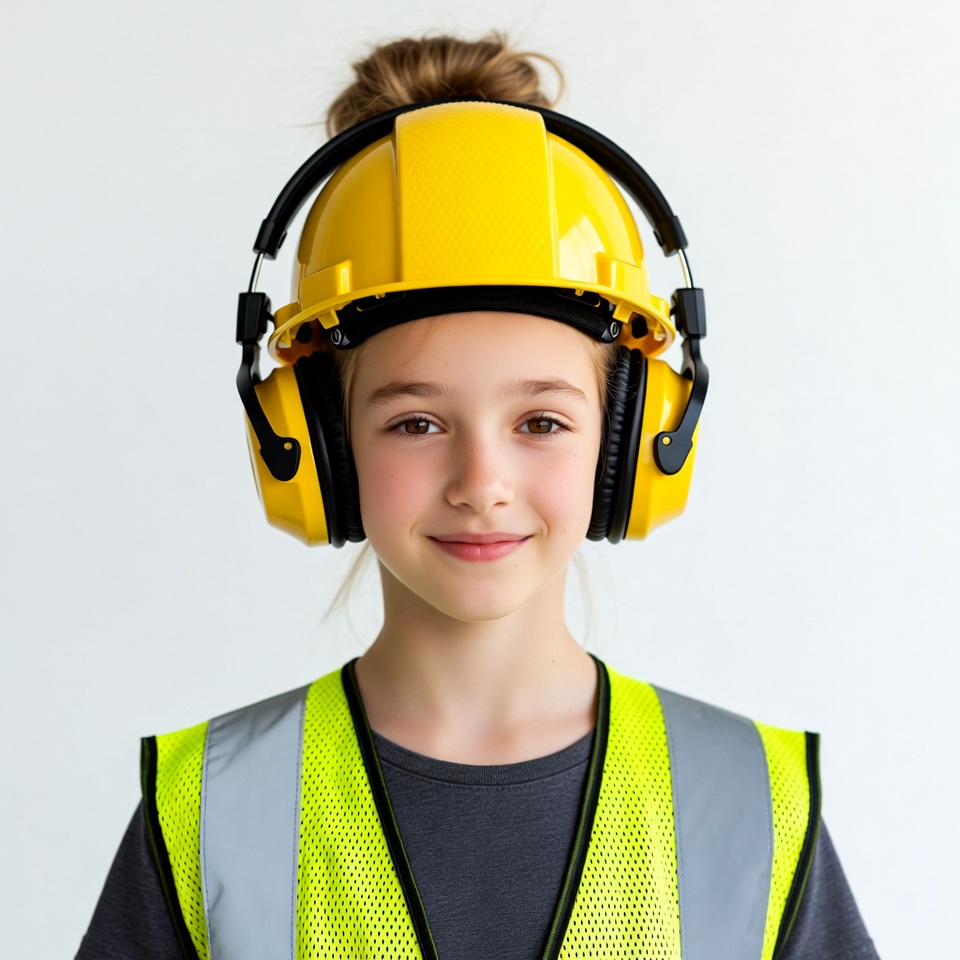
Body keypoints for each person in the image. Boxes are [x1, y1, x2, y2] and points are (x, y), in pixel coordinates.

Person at [76, 32, 879, 960]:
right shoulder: (204, 814)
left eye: (541, 422)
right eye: (416, 423)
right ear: (315, 445)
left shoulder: (753, 809)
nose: (482, 485)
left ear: (633, 443)